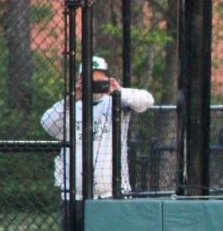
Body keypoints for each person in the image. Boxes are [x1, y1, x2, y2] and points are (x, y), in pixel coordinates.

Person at [40, 56, 154, 199]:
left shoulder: (118, 102)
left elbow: (147, 100)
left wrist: (119, 91)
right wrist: (73, 98)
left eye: (99, 80)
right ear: (81, 80)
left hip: (113, 193)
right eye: (90, 80)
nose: (95, 84)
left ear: (108, 79)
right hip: (75, 195)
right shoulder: (71, 107)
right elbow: (48, 123)